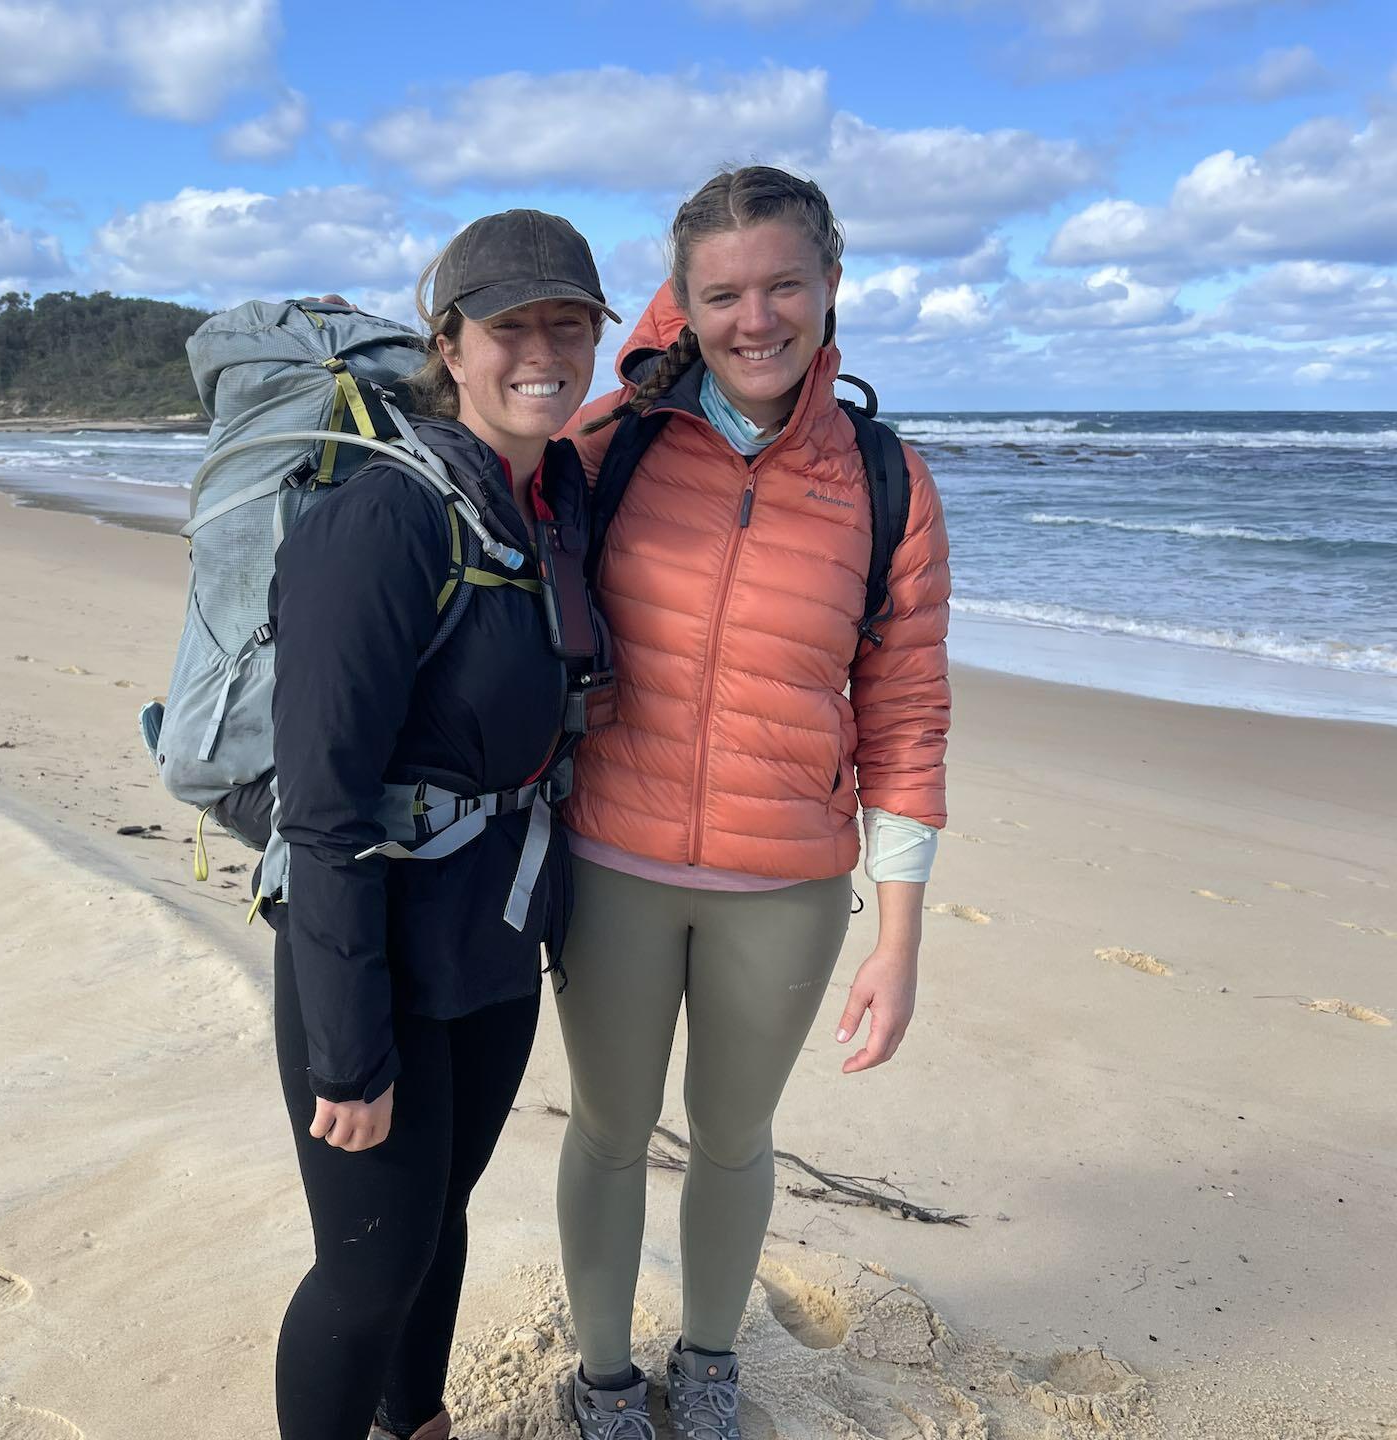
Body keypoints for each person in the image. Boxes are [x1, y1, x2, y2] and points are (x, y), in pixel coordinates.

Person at [553, 167, 951, 1439]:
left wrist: (898, 936)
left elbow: (904, 717)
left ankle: (711, 1363)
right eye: (723, 292)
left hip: (784, 888)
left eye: (784, 283)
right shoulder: (603, 448)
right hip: (608, 859)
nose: (756, 317)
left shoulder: (887, 482)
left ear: (833, 285)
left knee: (733, 1137)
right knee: (611, 1132)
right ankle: (606, 1377)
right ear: (683, 301)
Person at [266, 209, 619, 1440]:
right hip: (372, 958)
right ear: (449, 343)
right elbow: (319, 809)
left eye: (570, 324)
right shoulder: (386, 518)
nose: (544, 351)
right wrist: (350, 1053)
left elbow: (675, 366)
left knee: (441, 1217)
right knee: (365, 1270)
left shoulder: (553, 497)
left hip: (494, 942)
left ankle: (415, 1424)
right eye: (510, 324)